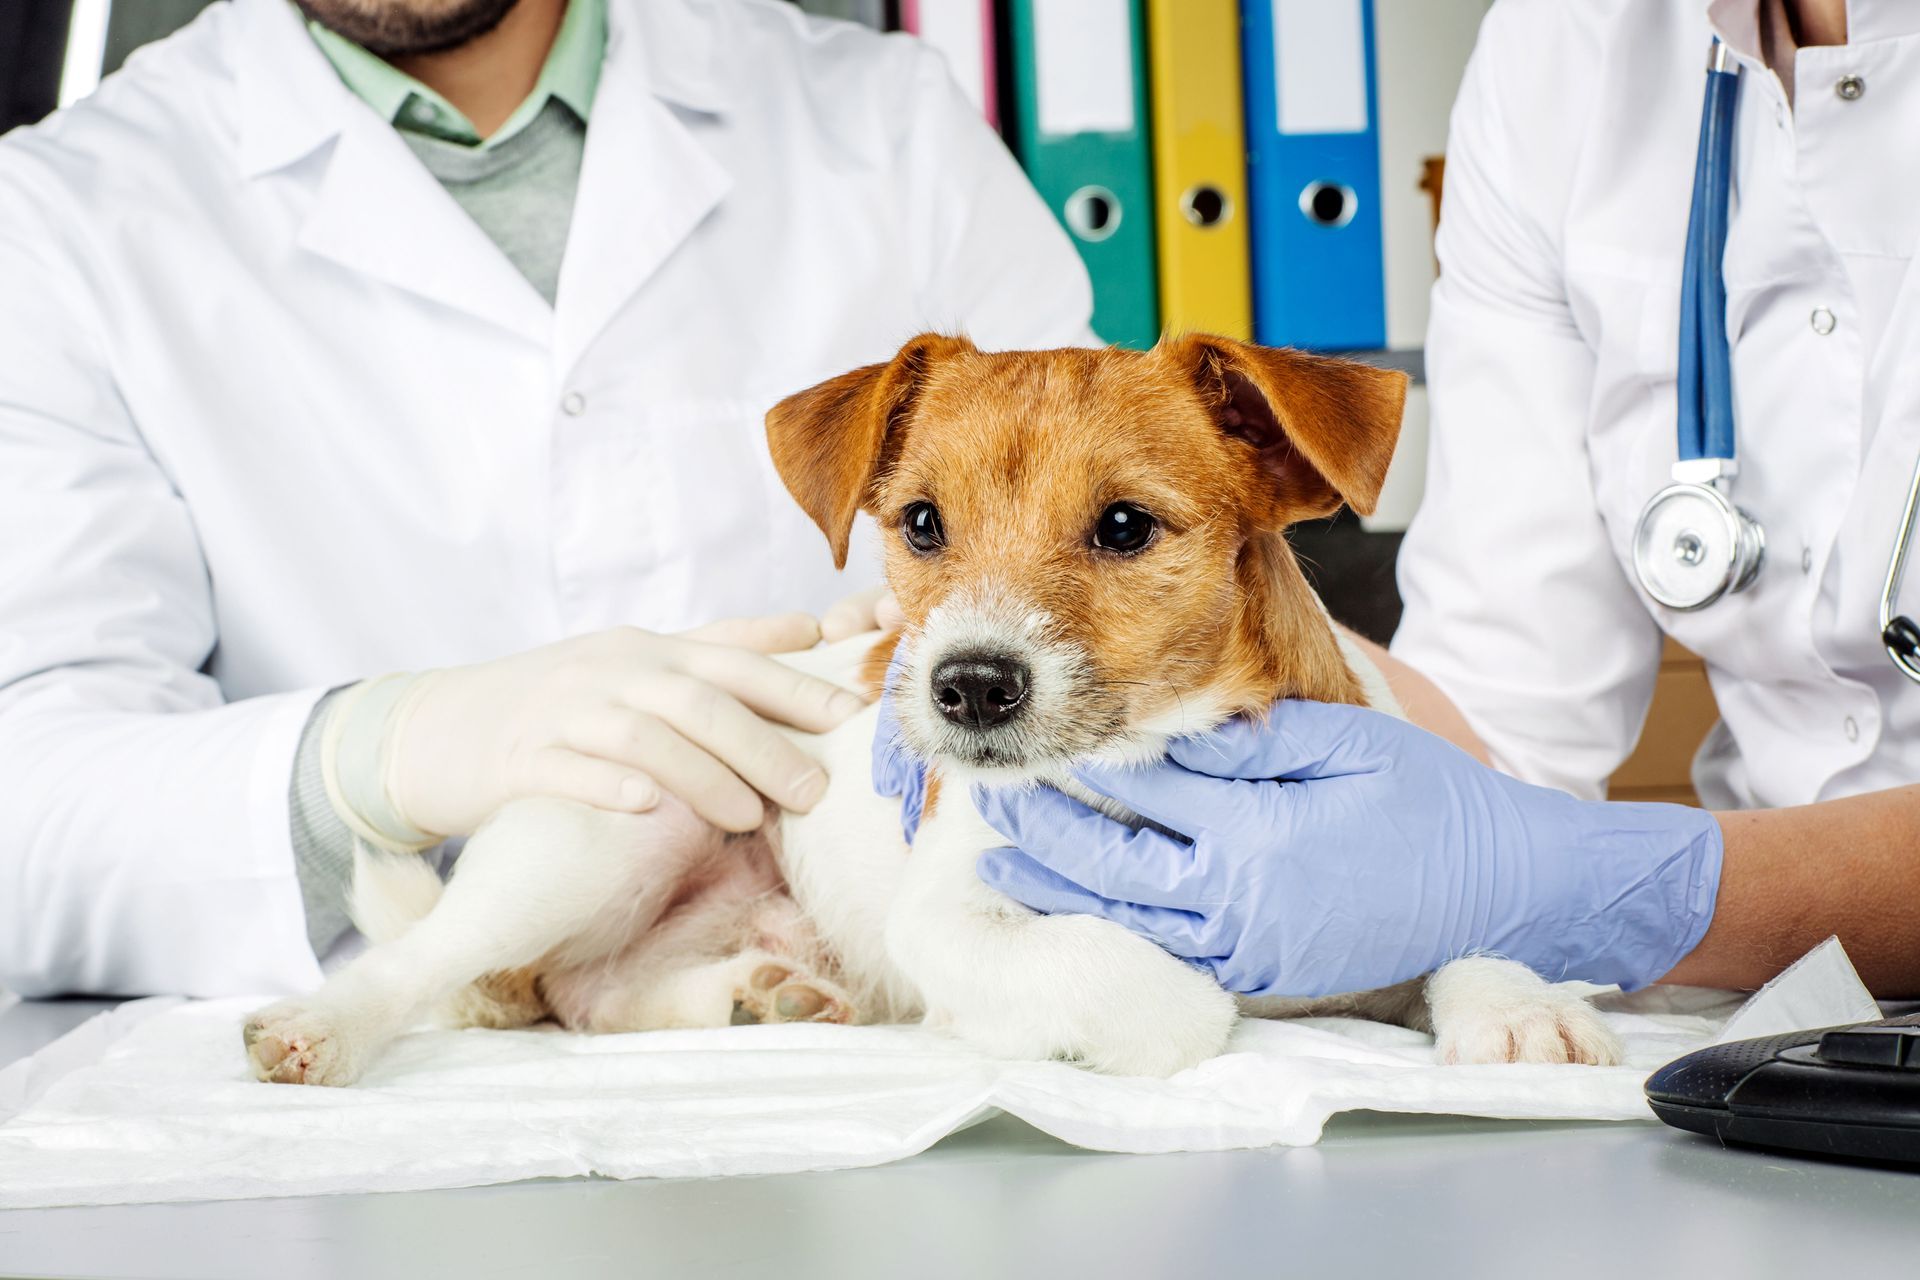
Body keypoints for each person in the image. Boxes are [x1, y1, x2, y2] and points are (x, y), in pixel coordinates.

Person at [0, 0, 1091, 997]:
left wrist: (1244, 829)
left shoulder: (886, 125)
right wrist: (378, 753)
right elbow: (28, 823)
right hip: (358, 1108)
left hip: (885, 1038)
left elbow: (1132, 546)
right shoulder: (59, 215)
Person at [978, 0, 1920, 1000]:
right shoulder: (1570, 41)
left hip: (1732, 944)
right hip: (1764, 1012)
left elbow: (1504, 856)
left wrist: (1622, 883)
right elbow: (1501, 725)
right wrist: (1188, 660)